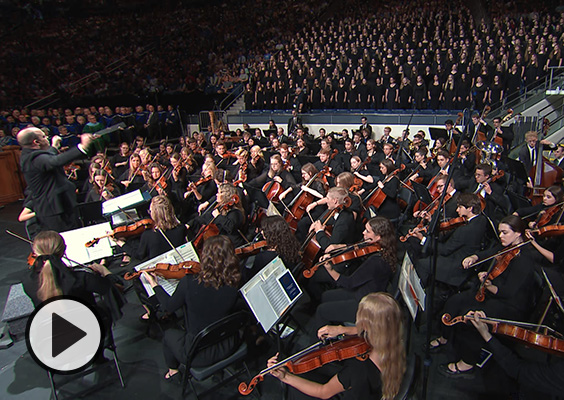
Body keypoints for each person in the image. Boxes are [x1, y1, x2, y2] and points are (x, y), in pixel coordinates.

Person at [432, 215, 538, 377]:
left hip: (510, 304)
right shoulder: (506, 247)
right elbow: (489, 253)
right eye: (500, 232)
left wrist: (489, 285)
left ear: (518, 234)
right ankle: (445, 337)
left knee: (471, 315)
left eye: (504, 233)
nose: (501, 236)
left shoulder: (525, 259)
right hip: (492, 293)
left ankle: (467, 363)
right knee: (455, 301)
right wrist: (474, 257)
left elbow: (509, 292)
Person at [267, 293, 406, 400]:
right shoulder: (397, 342)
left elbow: (323, 392)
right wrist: (342, 330)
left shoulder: (357, 370)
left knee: (295, 390)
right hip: (372, 391)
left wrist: (286, 377)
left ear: (367, 326)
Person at [143, 235, 241, 382]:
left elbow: (168, 307)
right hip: (228, 344)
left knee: (169, 334)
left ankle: (173, 372)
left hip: (198, 354)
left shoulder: (190, 283)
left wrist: (154, 285)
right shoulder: (237, 280)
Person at [22, 231, 123, 324]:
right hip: (87, 329)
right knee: (102, 308)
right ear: (64, 250)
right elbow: (116, 288)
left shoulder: (27, 281)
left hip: (52, 335)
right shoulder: (81, 278)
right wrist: (104, 271)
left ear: (35, 253)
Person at [312, 217, 397, 328]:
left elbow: (349, 283)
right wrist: (337, 248)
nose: (363, 232)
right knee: (326, 296)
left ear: (377, 237)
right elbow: (357, 246)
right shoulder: (383, 248)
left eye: (367, 231)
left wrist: (330, 269)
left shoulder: (376, 261)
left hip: (365, 303)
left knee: (321, 311)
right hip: (364, 291)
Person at [17, 127, 95, 232]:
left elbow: (47, 159)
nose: (47, 138)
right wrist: (83, 147)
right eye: (44, 137)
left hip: (58, 207)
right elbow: (54, 161)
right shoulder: (33, 159)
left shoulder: (31, 155)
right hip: (55, 211)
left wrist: (54, 147)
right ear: (36, 142)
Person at [114, 195, 187, 261]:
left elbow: (139, 255)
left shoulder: (148, 235)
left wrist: (122, 244)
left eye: (150, 211)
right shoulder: (181, 228)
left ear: (155, 214)